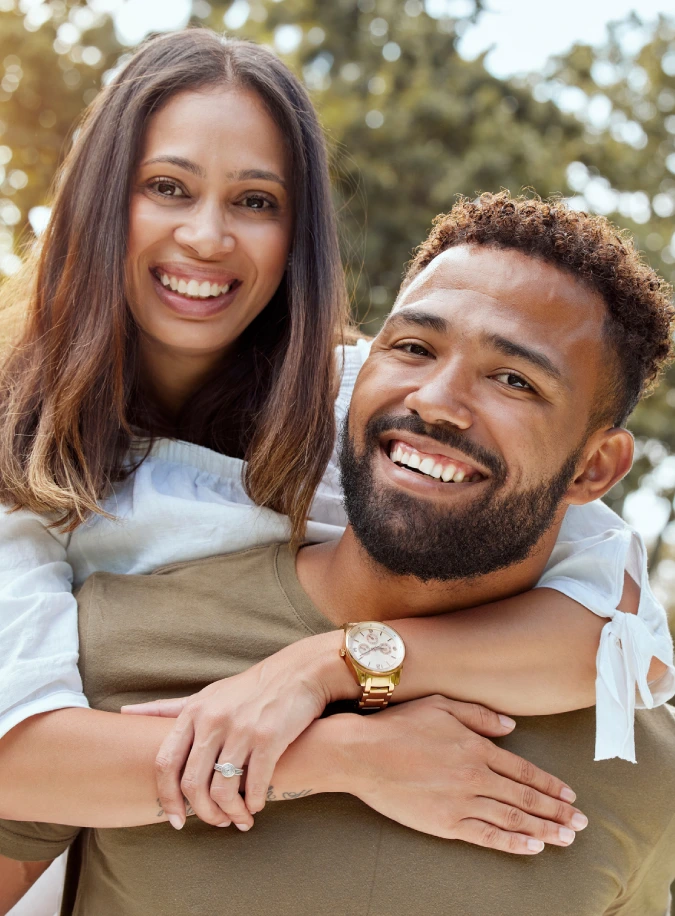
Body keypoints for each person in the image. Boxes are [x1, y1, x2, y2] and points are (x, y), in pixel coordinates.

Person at [1, 194, 674, 916]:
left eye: (514, 380)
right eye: (413, 347)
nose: (436, 400)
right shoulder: (111, 643)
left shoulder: (638, 761)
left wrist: (331, 666)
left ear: (593, 471)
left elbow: (633, 643)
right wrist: (330, 758)